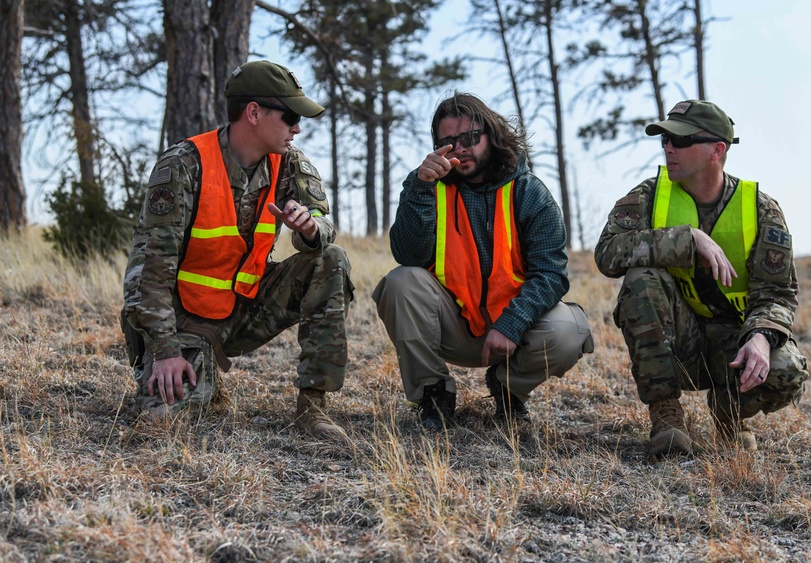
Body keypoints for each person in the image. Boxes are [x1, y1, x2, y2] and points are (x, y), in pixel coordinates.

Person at [121, 60, 354, 441]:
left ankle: (312, 408)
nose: (297, 127)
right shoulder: (184, 165)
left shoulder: (291, 163)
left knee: (331, 260)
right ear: (253, 113)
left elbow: (323, 221)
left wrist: (312, 229)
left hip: (248, 306)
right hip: (185, 319)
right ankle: (196, 372)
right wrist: (164, 350)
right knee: (164, 422)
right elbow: (149, 268)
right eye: (291, 115)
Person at [594, 100, 808, 458]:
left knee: (785, 369)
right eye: (664, 140)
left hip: (734, 345)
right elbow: (607, 253)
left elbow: (778, 294)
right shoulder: (649, 195)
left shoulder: (761, 209)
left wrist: (760, 337)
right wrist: (686, 238)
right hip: (678, 344)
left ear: (717, 150)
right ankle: (667, 416)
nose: (668, 148)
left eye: (679, 140)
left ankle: (730, 414)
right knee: (642, 278)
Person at [373, 92, 593, 431]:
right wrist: (420, 188)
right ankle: (433, 395)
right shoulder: (426, 185)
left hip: (515, 333)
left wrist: (512, 323)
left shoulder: (529, 191)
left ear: (492, 135)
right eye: (447, 141)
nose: (459, 148)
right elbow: (408, 255)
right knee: (400, 282)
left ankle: (507, 389)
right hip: (452, 326)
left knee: (570, 329)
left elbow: (551, 274)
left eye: (470, 138)